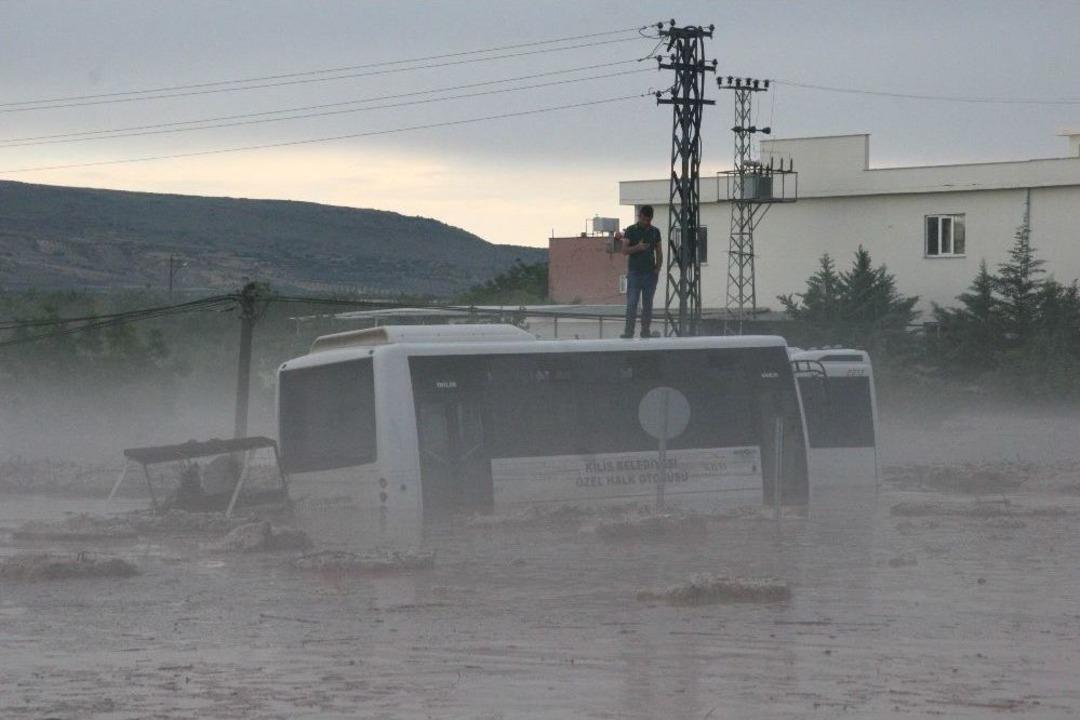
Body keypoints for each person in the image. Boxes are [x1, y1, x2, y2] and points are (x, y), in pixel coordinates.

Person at [615, 205, 662, 338]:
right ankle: (629, 332)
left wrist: (657, 269)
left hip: (650, 274)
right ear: (639, 216)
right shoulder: (631, 230)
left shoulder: (655, 232)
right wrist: (638, 247)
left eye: (649, 220)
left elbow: (659, 252)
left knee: (648, 305)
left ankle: (645, 331)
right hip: (635, 273)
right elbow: (624, 251)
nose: (646, 222)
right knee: (632, 303)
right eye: (644, 219)